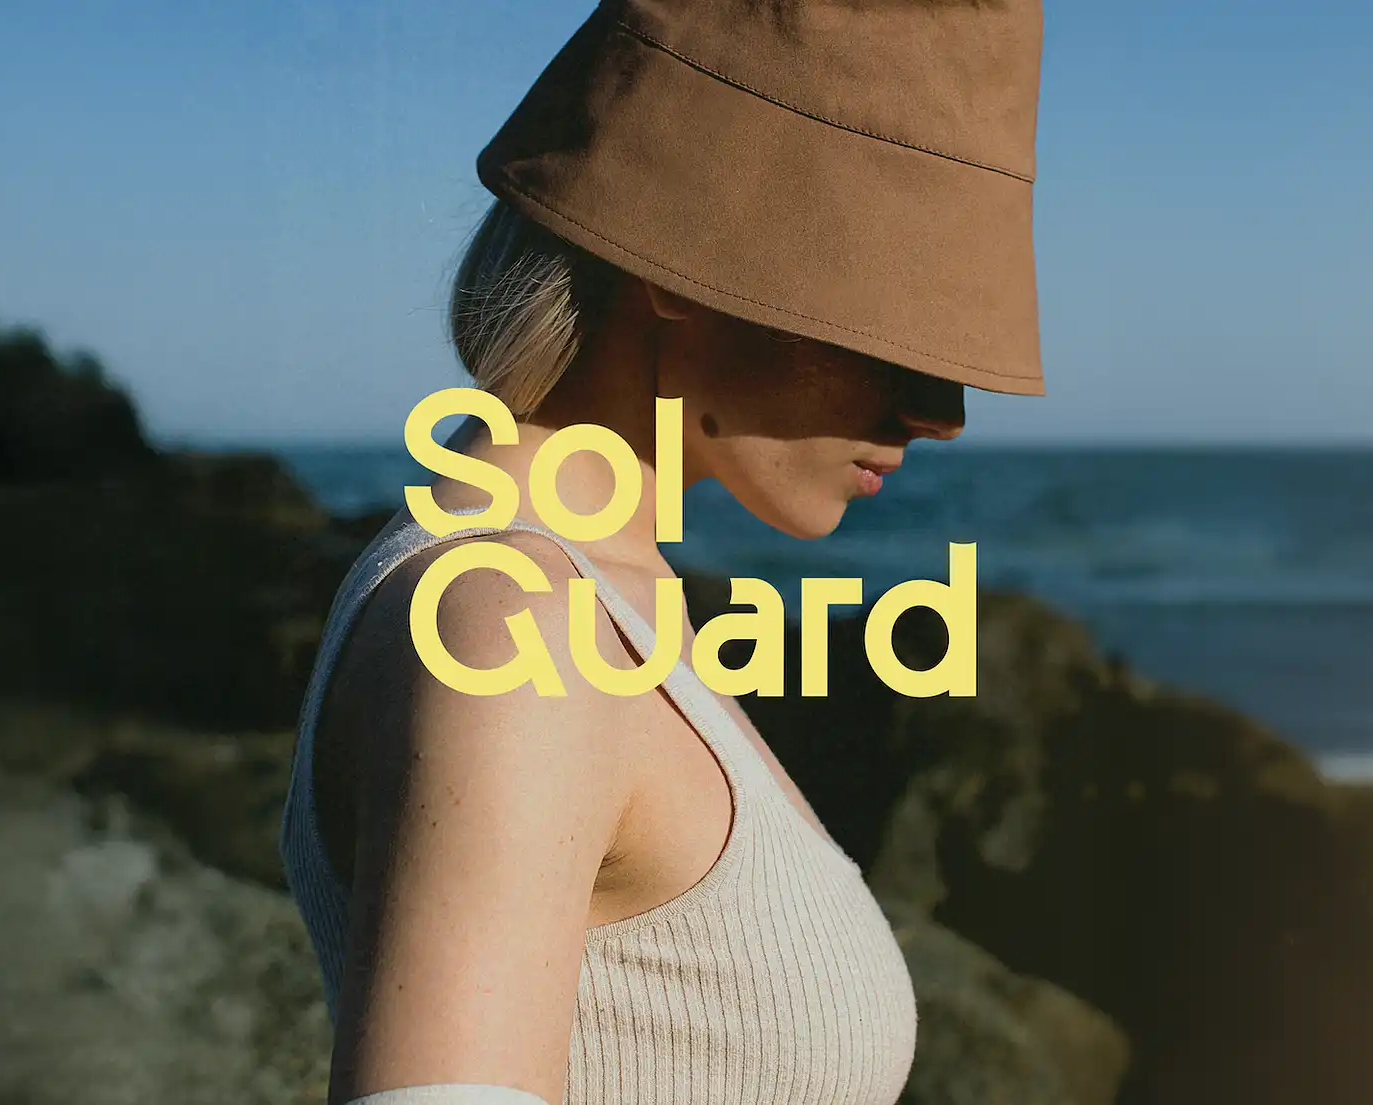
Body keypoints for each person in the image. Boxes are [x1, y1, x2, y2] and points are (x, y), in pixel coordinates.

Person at [280, 2, 1047, 1102]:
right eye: (894, 322)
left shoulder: (593, 599)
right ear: (677, 268)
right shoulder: (519, 623)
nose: (940, 412)